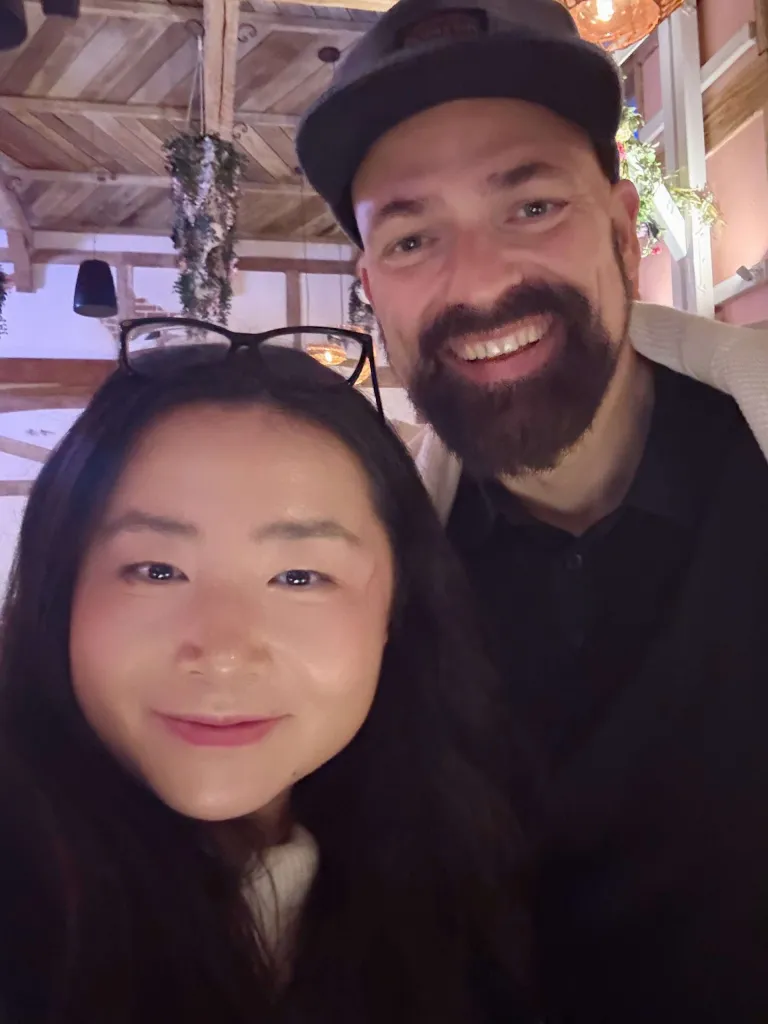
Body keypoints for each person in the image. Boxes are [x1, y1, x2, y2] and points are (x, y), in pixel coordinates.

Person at [296, 0, 768, 1021]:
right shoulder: (372, 608)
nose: (479, 282)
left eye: (533, 206)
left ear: (623, 227)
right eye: (413, 237)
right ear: (372, 287)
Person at [0, 340, 531, 1023]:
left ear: (397, 610)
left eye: (299, 577)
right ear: (61, 588)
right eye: (157, 571)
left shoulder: (468, 887)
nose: (223, 653)